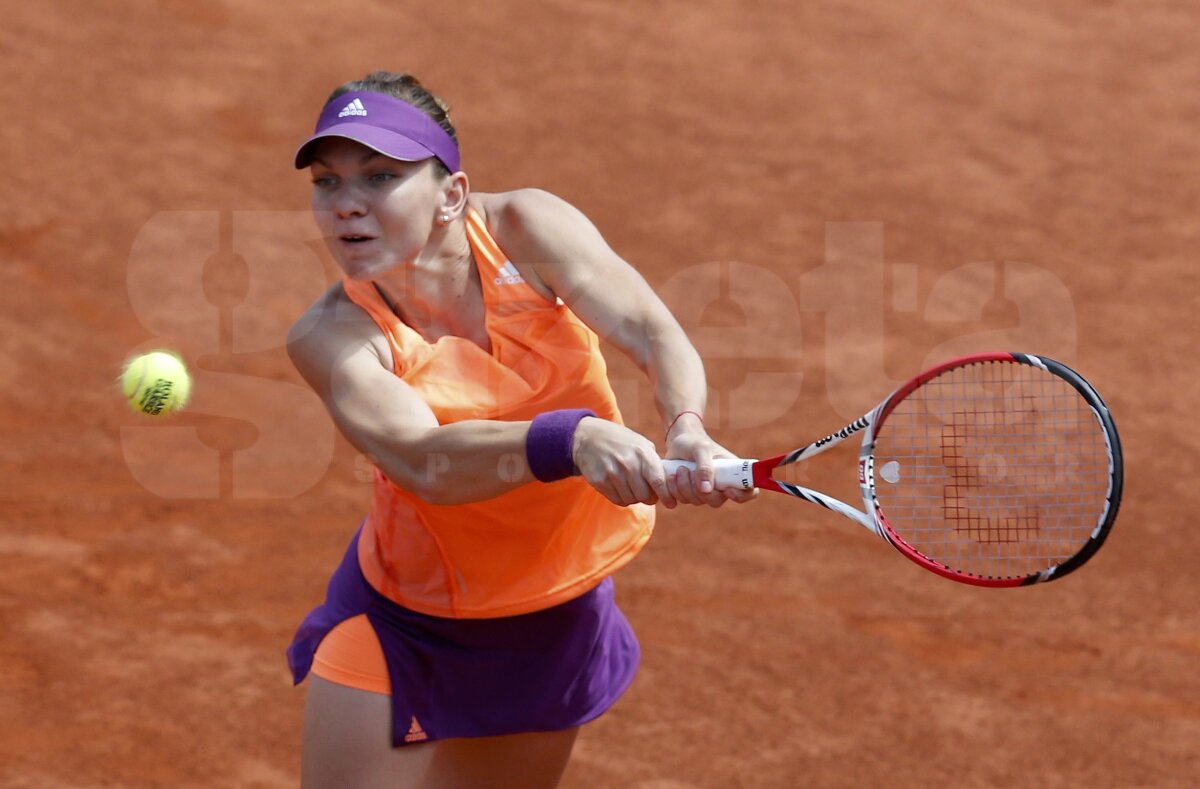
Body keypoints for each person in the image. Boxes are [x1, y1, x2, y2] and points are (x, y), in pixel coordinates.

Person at [284, 71, 755, 789]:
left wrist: (686, 425)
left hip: (554, 612)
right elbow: (423, 462)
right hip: (406, 623)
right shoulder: (331, 335)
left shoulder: (528, 231)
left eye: (379, 177)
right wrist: (573, 439)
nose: (347, 204)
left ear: (452, 195)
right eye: (327, 182)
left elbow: (649, 329)